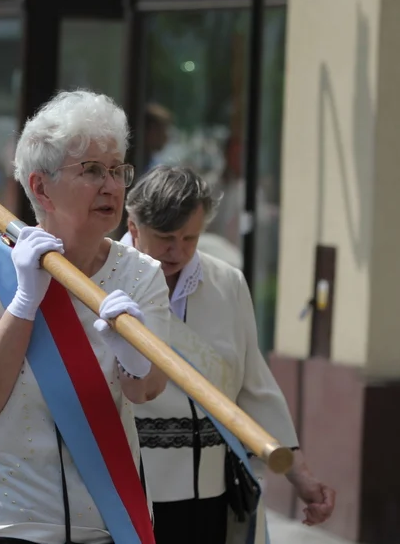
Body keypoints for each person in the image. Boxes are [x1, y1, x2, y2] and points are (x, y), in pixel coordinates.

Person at [0, 90, 174, 544]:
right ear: (41, 187)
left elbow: (145, 391)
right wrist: (23, 304)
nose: (111, 185)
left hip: (102, 520)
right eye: (91, 171)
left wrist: (134, 358)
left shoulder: (140, 274)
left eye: (117, 170)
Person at [122, 165, 335, 544]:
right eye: (165, 237)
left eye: (191, 238)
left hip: (211, 492)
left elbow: (255, 387)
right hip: (128, 490)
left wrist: (299, 475)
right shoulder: (101, 278)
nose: (178, 251)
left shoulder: (228, 283)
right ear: (134, 227)